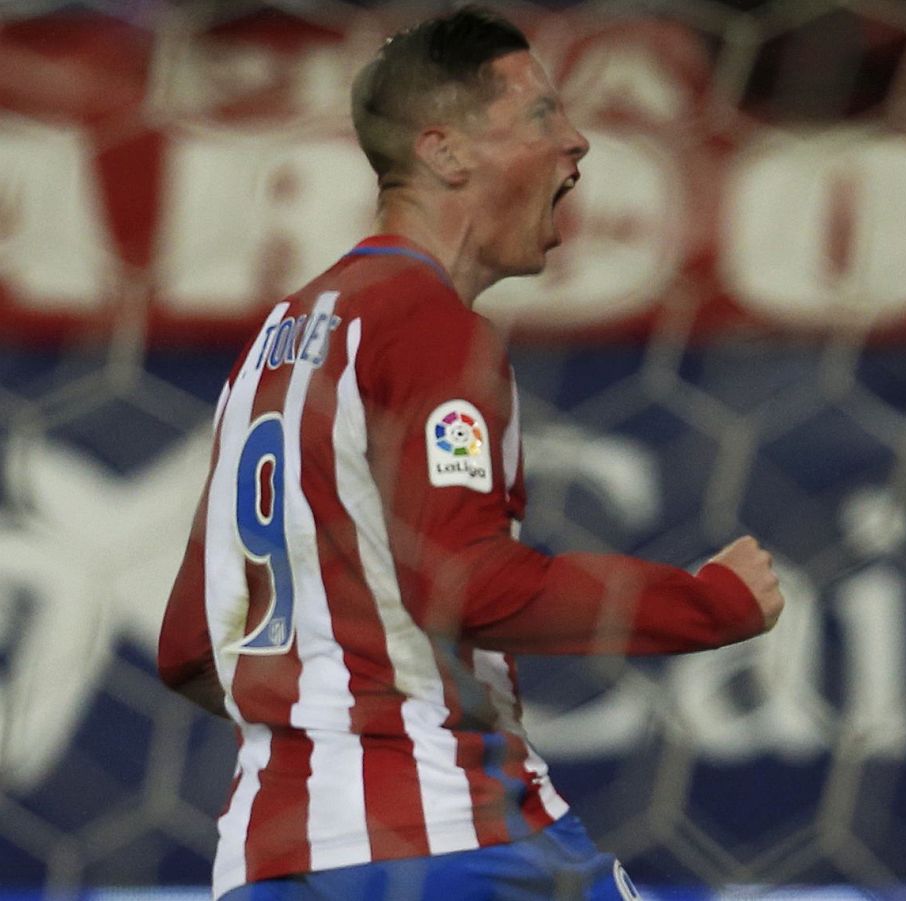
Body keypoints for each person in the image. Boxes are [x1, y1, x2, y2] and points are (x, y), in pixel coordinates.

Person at [155, 8, 784, 900]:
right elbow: (468, 585)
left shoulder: (274, 342)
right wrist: (708, 604)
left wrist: (328, 704)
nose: (577, 142)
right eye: (540, 117)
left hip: (268, 862)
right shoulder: (431, 326)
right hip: (459, 846)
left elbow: (188, 644)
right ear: (445, 153)